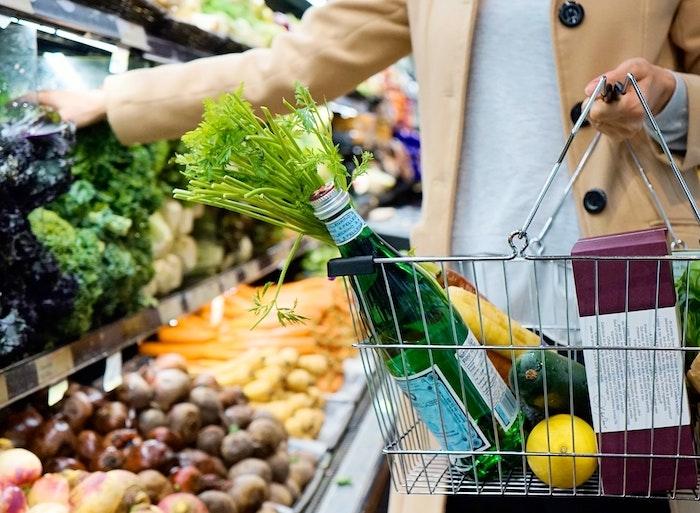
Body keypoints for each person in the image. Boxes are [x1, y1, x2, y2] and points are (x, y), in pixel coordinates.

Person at [38, 1, 700, 512]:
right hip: (467, 322)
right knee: (482, 487)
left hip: (637, 317)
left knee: (635, 490)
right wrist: (117, 101)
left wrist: (672, 104)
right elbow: (289, 67)